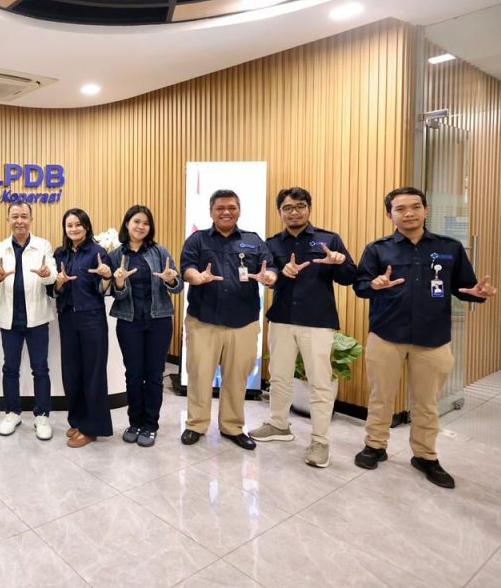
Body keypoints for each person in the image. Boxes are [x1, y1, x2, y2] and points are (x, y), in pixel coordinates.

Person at [353, 187, 496, 488]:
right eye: (400, 209)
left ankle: (425, 455)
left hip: (433, 338)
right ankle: (375, 445)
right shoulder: (377, 249)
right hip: (386, 335)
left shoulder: (449, 247)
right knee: (380, 397)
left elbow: (464, 287)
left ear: (426, 210)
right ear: (390, 214)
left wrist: (476, 293)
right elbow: (360, 286)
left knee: (427, 402)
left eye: (415, 207)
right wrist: (374, 284)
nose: (409, 213)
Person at [251, 188, 356, 468]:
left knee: (320, 383)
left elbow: (349, 277)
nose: (294, 212)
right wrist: (275, 275)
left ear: (309, 208)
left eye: (300, 206)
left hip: (318, 321)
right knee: (279, 377)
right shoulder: (272, 243)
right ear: (280, 212)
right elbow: (269, 274)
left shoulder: (328, 239)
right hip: (282, 319)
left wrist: (339, 263)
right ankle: (278, 425)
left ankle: (320, 441)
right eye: (287, 208)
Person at [180, 189, 278, 449]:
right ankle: (196, 424)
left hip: (243, 322)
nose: (226, 212)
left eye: (232, 207)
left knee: (237, 378)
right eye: (220, 208)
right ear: (211, 212)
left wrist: (270, 277)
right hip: (203, 321)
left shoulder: (253, 240)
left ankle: (232, 426)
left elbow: (270, 267)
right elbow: (187, 267)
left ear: (239, 210)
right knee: (199, 376)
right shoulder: (198, 240)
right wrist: (196, 277)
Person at [105, 205, 183, 447]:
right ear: (127, 224)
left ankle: (150, 425)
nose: (141, 226)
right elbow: (114, 294)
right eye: (136, 221)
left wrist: (171, 280)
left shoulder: (159, 252)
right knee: (133, 374)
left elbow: (178, 286)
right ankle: (134, 422)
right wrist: (119, 284)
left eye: (146, 223)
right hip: (129, 322)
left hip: (159, 321)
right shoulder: (116, 255)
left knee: (154, 375)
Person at [0, 201, 57, 440]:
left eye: (24, 216)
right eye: (15, 216)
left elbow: (52, 276)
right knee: (10, 368)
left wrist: (47, 275)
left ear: (31, 219)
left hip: (37, 318)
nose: (19, 221)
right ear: (8, 220)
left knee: (41, 369)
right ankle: (12, 413)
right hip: (10, 320)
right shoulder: (0, 248)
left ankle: (42, 416)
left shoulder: (43, 245)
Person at [51, 208, 113, 448]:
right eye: (69, 225)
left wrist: (106, 276)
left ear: (86, 227)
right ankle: (77, 420)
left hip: (92, 318)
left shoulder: (98, 253)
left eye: (78, 224)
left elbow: (103, 288)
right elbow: (53, 291)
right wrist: (58, 283)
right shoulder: (60, 253)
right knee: (71, 373)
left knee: (93, 373)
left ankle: (92, 428)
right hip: (67, 318)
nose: (74, 229)